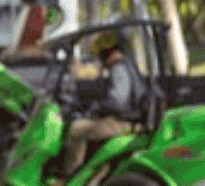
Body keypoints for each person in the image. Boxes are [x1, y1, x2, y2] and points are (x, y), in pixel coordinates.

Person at [61, 30, 147, 178]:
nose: (100, 59)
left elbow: (118, 100)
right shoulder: (124, 65)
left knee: (76, 130)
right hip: (125, 118)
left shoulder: (119, 68)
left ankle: (69, 176)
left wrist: (96, 108)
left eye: (102, 54)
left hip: (124, 121)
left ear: (108, 52)